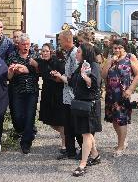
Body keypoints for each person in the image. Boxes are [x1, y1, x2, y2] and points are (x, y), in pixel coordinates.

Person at [53, 43, 102, 176]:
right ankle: (95, 155)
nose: (76, 54)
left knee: (86, 133)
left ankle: (82, 164)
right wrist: (59, 76)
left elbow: (94, 84)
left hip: (90, 104)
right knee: (86, 133)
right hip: (80, 103)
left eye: (79, 52)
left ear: (85, 53)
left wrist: (85, 77)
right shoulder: (81, 65)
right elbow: (72, 81)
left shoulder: (94, 65)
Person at [102, 39, 138, 157]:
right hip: (110, 94)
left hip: (123, 95)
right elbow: (103, 75)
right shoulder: (110, 58)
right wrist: (109, 62)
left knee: (121, 120)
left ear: (124, 48)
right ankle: (122, 140)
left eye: (120, 47)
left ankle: (120, 146)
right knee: (114, 119)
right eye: (115, 48)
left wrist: (130, 89)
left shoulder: (130, 57)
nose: (117, 50)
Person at [30, 43, 66, 152]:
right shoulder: (41, 62)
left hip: (58, 93)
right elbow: (34, 62)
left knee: (60, 120)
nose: (44, 53)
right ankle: (68, 135)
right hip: (47, 93)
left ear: (51, 51)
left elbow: (63, 77)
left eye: (46, 51)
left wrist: (57, 77)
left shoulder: (57, 62)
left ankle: (65, 144)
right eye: (43, 51)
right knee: (49, 120)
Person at [7, 33, 39, 154]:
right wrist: (12, 71)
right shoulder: (12, 56)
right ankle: (24, 131)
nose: (26, 46)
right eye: (23, 44)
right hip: (16, 90)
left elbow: (40, 71)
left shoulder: (35, 55)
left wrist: (29, 68)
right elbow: (8, 77)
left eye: (27, 44)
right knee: (17, 116)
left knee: (30, 116)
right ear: (18, 45)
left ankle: (26, 143)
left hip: (31, 90)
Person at [55, 30, 83, 160]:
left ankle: (84, 151)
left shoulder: (75, 54)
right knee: (68, 126)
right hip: (67, 96)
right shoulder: (69, 53)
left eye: (60, 40)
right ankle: (70, 151)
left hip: (73, 97)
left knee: (76, 126)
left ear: (67, 40)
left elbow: (76, 78)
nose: (59, 43)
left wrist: (61, 77)